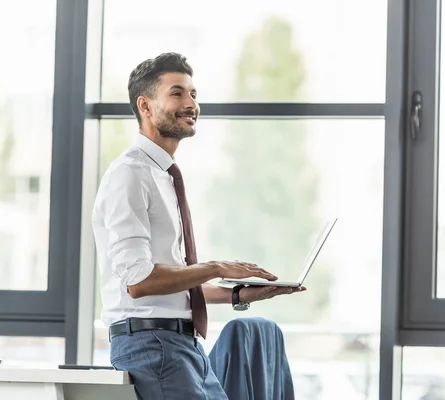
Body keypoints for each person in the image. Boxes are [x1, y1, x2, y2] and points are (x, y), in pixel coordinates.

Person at [92, 52, 305, 399]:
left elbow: (168, 287)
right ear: (145, 106)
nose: (191, 104)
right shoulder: (129, 175)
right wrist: (216, 267)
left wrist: (237, 293)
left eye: (193, 94)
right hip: (152, 347)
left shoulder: (164, 177)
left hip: (182, 346)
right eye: (177, 93)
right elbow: (139, 281)